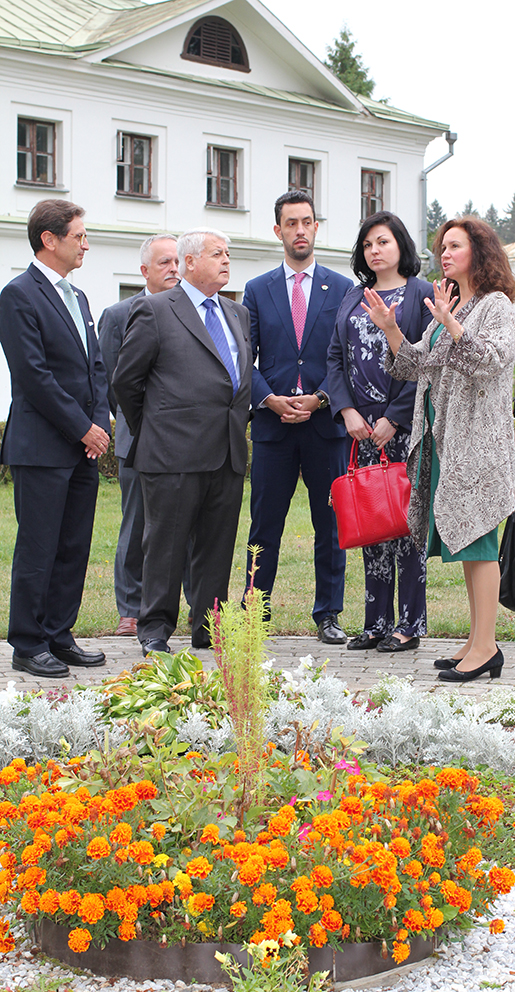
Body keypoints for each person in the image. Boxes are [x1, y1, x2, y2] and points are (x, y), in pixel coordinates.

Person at [364, 217, 515, 681]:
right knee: (468, 545)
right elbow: (416, 365)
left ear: (479, 252)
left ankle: (486, 648)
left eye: (454, 246)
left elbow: (490, 362)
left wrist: (450, 322)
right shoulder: (453, 304)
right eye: (442, 247)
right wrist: (391, 329)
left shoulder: (496, 305)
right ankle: (477, 641)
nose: (444, 254)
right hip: (444, 444)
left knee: (480, 544)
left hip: (478, 447)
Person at [112, 228, 251, 655]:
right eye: (217, 253)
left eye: (227, 254)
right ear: (190, 262)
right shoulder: (156, 309)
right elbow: (126, 382)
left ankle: (208, 626)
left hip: (226, 451)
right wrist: (155, 427)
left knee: (217, 545)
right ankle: (155, 629)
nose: (226, 260)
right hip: (171, 453)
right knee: (165, 546)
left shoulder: (237, 313)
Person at [0, 199, 110, 678]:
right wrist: (82, 427)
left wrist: (99, 425)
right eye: (78, 235)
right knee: (39, 547)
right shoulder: (18, 295)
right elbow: (33, 376)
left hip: (82, 447)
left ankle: (59, 635)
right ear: (49, 239)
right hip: (42, 446)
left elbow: (95, 369)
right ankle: (28, 643)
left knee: (73, 547)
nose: (85, 244)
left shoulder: (78, 297)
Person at [243, 190, 352, 644]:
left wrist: (322, 398)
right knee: (265, 525)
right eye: (291, 223)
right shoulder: (257, 289)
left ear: (316, 227)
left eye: (307, 221)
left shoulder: (342, 288)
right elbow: (244, 358)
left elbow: (347, 359)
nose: (300, 230)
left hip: (325, 428)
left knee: (331, 525)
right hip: (274, 428)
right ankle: (255, 613)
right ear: (278, 231)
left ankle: (329, 613)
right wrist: (268, 399)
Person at [327, 211, 432, 652]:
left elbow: (426, 361)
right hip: (361, 430)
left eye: (383, 241)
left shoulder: (422, 293)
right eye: (368, 244)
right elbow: (334, 358)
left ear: (401, 245)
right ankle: (375, 624)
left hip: (404, 428)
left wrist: (396, 417)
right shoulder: (353, 296)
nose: (375, 250)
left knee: (406, 527)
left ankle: (408, 626)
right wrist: (347, 411)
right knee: (372, 526)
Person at [98, 234, 180, 637]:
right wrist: (141, 422)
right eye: (164, 262)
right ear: (145, 270)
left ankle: (179, 605)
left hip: (185, 441)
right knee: (136, 525)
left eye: (178, 262)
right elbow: (113, 380)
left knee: (182, 528)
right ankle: (130, 609)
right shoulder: (118, 315)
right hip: (138, 438)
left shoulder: (190, 310)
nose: (174, 269)